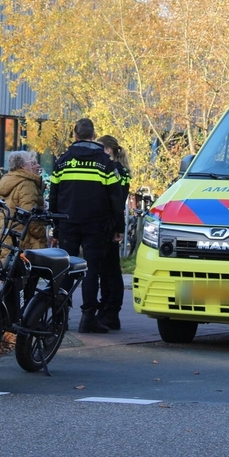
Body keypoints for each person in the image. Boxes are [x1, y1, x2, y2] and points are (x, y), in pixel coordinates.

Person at [48, 118, 124, 333]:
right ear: (93, 135)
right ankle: (88, 317)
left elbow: (53, 193)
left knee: (65, 268)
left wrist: (55, 223)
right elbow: (115, 198)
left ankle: (58, 317)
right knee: (91, 270)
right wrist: (119, 227)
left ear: (75, 136)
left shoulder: (62, 161)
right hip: (97, 225)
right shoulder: (105, 162)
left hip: (67, 222)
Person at [97, 134, 131, 330]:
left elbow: (113, 199)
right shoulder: (122, 170)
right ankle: (110, 309)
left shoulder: (113, 170)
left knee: (108, 269)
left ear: (108, 151)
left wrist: (116, 226)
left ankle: (109, 309)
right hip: (113, 221)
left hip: (108, 222)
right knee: (111, 268)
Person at [0, 150, 47, 251]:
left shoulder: (6, 180)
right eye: (31, 163)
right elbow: (30, 216)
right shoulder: (27, 183)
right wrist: (42, 235)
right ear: (23, 166)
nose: (36, 165)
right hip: (23, 239)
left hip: (4, 234)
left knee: (6, 264)